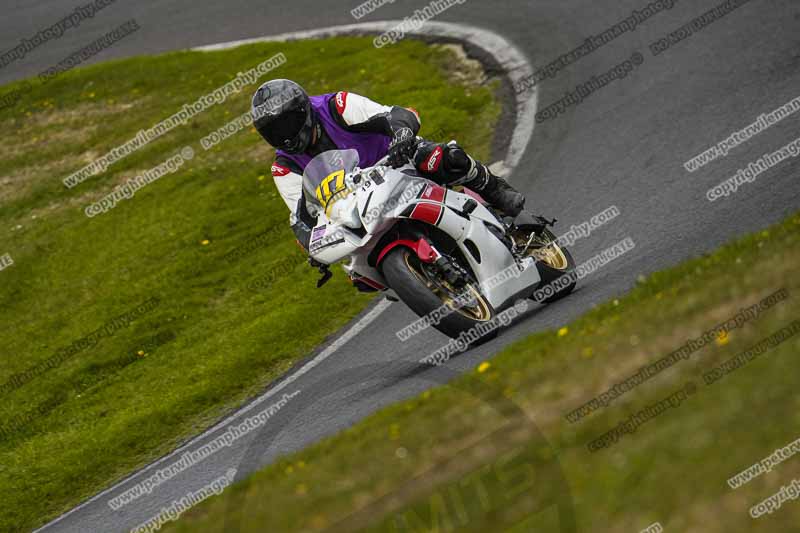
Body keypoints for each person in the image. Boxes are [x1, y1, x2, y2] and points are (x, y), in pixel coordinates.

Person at [251, 78, 525, 251]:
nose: (283, 136)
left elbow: (395, 114)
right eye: (273, 132)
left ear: (304, 111)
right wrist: (309, 241)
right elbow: (303, 215)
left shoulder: (338, 105)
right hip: (359, 209)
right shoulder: (284, 167)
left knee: (444, 159)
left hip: (399, 163)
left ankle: (494, 189)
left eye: (286, 124)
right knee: (358, 274)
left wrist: (402, 134)